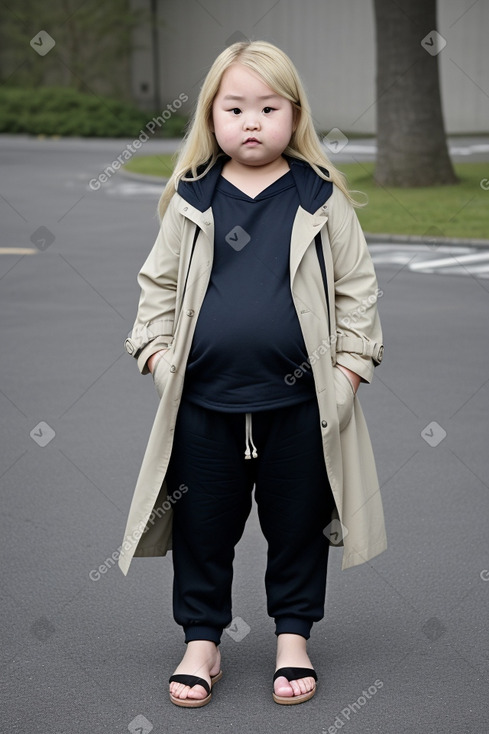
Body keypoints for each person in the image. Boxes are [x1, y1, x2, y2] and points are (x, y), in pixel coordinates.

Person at [119, 40, 386, 708]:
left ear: (294, 115)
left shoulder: (321, 199)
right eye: (234, 107)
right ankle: (201, 642)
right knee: (201, 526)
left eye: (268, 107)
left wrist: (347, 374)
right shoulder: (192, 200)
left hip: (299, 406)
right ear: (211, 115)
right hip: (204, 405)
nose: (250, 121)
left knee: (297, 523)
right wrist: (157, 359)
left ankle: (292, 638)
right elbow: (155, 289)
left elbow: (357, 293)